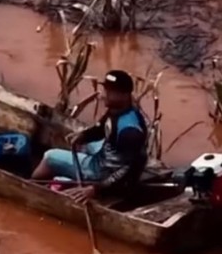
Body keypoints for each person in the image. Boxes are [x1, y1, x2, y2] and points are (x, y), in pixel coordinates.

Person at [31, 70, 150, 202]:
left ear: (124, 95)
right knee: (89, 144)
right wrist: (83, 136)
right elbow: (101, 129)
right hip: (109, 154)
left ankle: (31, 187)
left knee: (49, 157)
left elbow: (128, 170)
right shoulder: (119, 108)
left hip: (104, 172)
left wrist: (96, 189)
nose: (103, 96)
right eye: (105, 90)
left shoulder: (130, 131)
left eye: (109, 92)